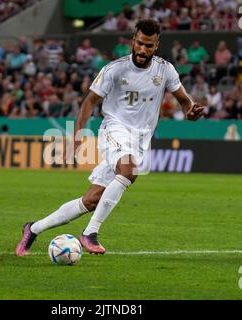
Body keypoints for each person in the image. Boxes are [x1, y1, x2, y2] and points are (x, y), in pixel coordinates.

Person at [15, 19, 205, 257]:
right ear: (133, 41)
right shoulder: (115, 69)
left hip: (139, 140)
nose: (143, 50)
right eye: (140, 44)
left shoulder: (165, 70)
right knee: (128, 171)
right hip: (114, 130)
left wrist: (191, 111)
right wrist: (77, 137)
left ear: (156, 45)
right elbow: (89, 102)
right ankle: (90, 233)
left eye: (149, 45)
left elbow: (185, 100)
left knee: (91, 200)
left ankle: (33, 228)